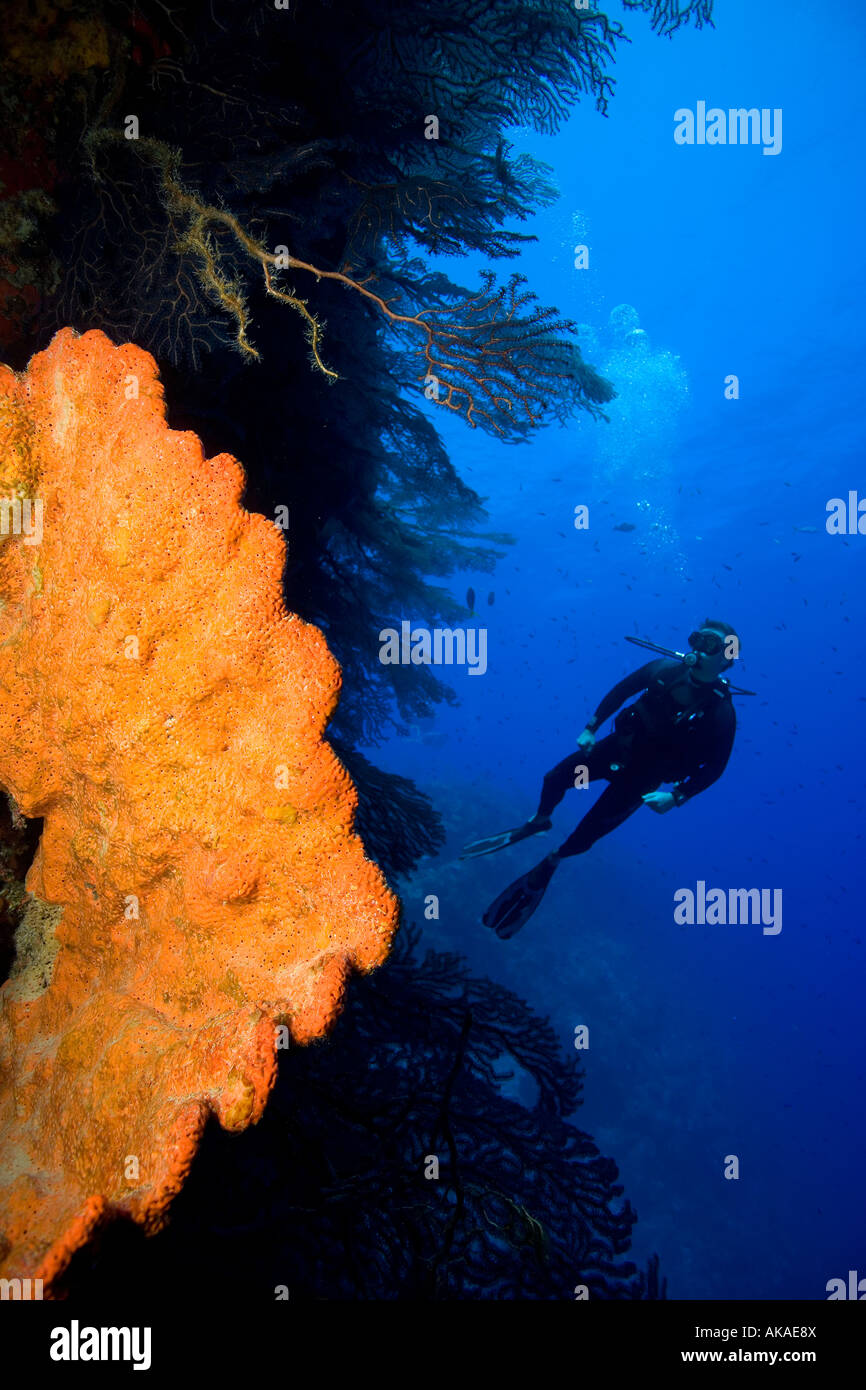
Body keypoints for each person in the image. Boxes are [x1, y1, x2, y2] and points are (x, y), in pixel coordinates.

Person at [461, 620, 741, 938]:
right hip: (614, 752)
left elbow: (716, 768)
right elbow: (620, 692)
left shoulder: (721, 713)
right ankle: (540, 821)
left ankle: (552, 861)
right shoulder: (663, 669)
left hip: (641, 782)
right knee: (555, 778)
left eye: (711, 646)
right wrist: (591, 727)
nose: (699, 650)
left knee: (585, 836)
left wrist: (676, 797)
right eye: (697, 640)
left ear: (727, 658)